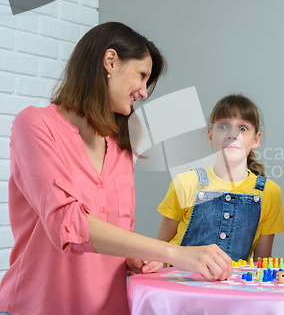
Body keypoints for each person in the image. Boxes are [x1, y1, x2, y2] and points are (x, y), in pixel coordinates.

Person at [0, 22, 232, 315]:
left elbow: (115, 233)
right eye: (142, 76)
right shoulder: (34, 124)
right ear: (110, 62)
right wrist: (175, 253)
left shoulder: (123, 143)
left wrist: (133, 259)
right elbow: (67, 224)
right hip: (37, 308)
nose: (145, 93)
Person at [157, 94, 284, 262]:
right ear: (211, 135)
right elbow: (159, 251)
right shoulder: (186, 183)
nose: (233, 134)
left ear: (256, 140)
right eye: (223, 126)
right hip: (181, 282)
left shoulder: (269, 192)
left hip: (234, 287)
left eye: (243, 128)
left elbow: (261, 264)